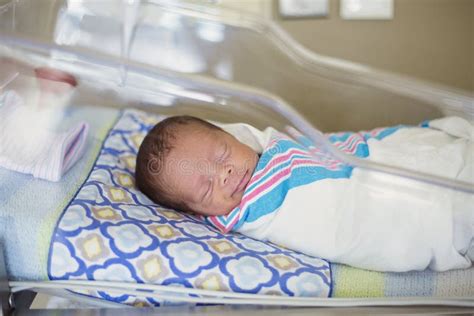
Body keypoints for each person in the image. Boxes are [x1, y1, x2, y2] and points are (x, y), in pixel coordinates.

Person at [135, 115, 474, 273]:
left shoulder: (268, 147)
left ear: (232, 135)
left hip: (377, 158)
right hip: (409, 208)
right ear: (199, 213)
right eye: (207, 187)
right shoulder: (256, 214)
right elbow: (340, 217)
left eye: (222, 155)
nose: (224, 175)